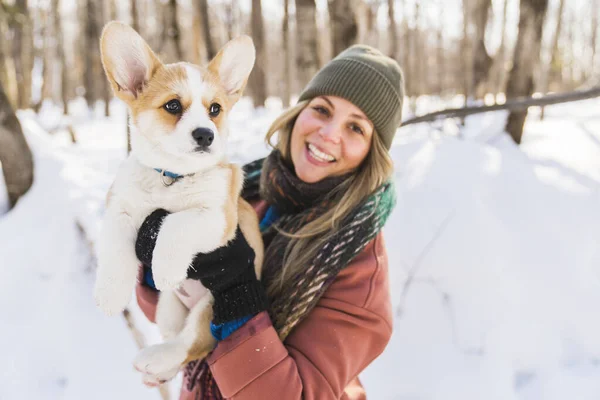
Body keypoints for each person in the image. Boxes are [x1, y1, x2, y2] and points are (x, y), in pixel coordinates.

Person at [135, 44, 404, 399]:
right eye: (322, 109)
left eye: (356, 128)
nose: (329, 134)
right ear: (298, 113)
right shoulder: (248, 187)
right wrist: (161, 268)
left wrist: (236, 296)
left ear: (373, 153)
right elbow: (169, 312)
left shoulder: (360, 270)